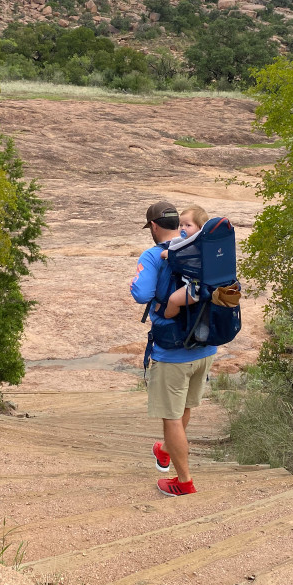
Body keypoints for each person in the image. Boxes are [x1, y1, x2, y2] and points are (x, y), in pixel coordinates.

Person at [129, 200, 217, 496]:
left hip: (172, 352)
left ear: (153, 226)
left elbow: (141, 294)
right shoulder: (198, 247)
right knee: (184, 409)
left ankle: (184, 482)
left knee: (172, 418)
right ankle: (165, 450)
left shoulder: (155, 255)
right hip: (204, 346)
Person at [159, 204, 210, 319]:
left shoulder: (192, 246)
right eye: (181, 225)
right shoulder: (204, 243)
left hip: (195, 287)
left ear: (200, 228)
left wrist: (164, 253)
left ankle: (167, 316)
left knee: (173, 300)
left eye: (188, 225)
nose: (183, 228)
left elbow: (172, 254)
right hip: (201, 282)